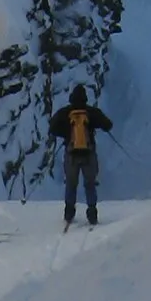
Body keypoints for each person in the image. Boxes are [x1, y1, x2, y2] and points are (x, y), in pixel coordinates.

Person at [50, 83, 113, 228]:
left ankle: (69, 213)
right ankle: (92, 213)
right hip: (88, 153)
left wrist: (66, 134)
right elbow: (108, 124)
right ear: (85, 98)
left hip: (71, 154)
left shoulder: (65, 112)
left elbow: (52, 127)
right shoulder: (91, 112)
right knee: (89, 184)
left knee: (71, 184)